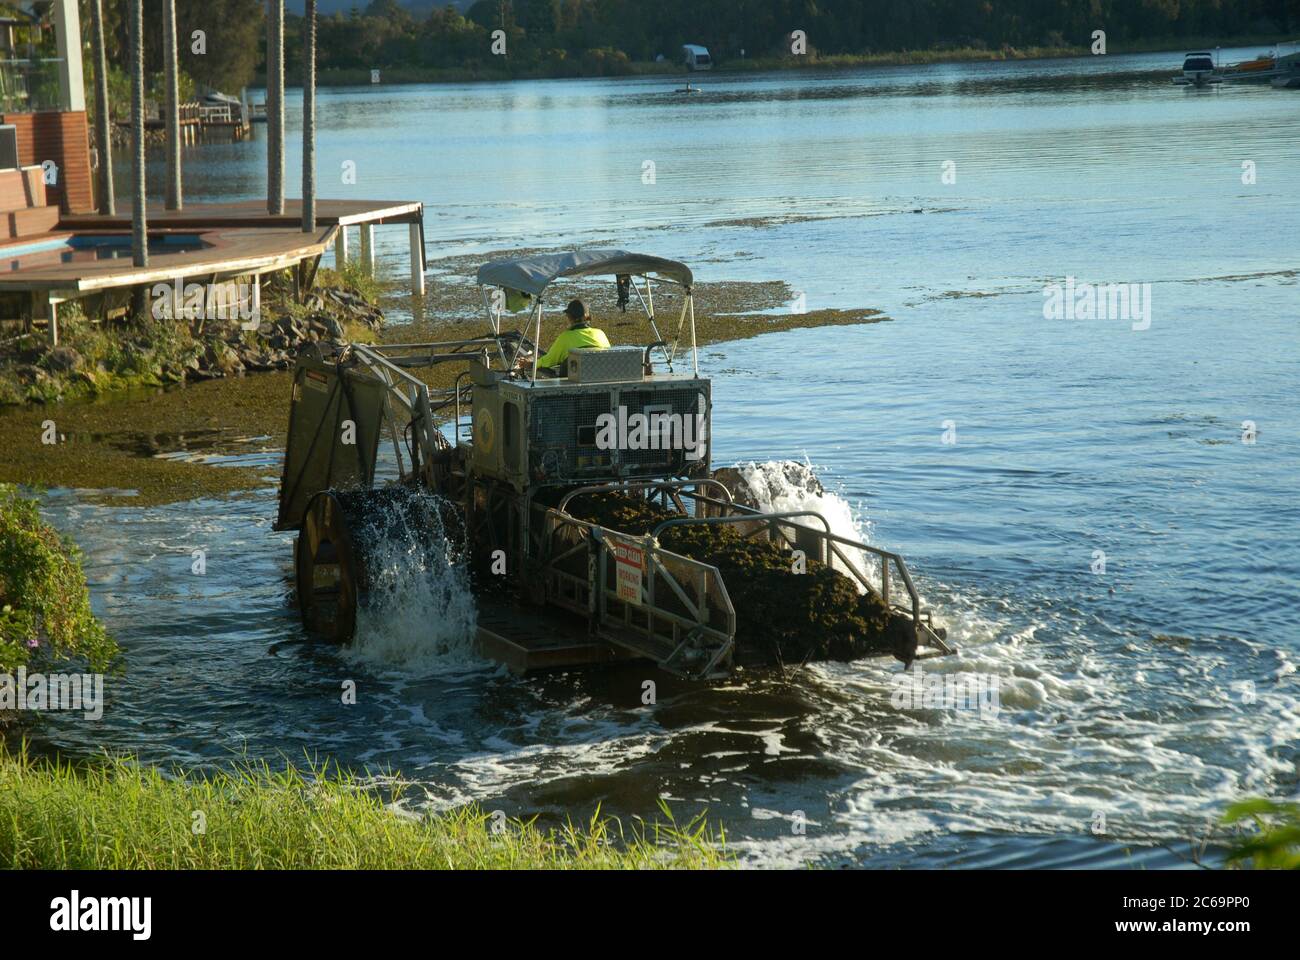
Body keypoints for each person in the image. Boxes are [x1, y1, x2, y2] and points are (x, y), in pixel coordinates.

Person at [534, 299, 610, 376]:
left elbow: (549, 360)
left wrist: (532, 364)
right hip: (600, 376)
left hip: (573, 381)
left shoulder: (565, 337)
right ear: (588, 316)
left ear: (569, 317)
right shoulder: (600, 333)